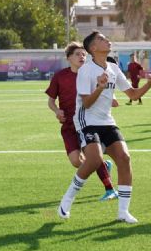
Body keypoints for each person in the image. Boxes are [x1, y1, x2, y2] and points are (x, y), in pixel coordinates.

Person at [58, 31, 151, 224]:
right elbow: (86, 104)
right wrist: (101, 87)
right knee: (94, 160)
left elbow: (133, 95)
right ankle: (67, 199)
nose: (107, 40)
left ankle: (123, 212)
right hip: (86, 121)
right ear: (93, 48)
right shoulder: (86, 70)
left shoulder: (113, 68)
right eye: (102, 39)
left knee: (124, 158)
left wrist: (149, 84)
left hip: (107, 121)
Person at [45, 42, 117, 202]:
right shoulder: (60, 76)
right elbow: (50, 101)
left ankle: (110, 189)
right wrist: (57, 111)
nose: (82, 57)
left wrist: (112, 99)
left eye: (84, 54)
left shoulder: (91, 74)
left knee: (92, 158)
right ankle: (103, 165)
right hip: (69, 126)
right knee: (77, 162)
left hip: (87, 123)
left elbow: (104, 89)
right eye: (77, 54)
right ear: (69, 58)